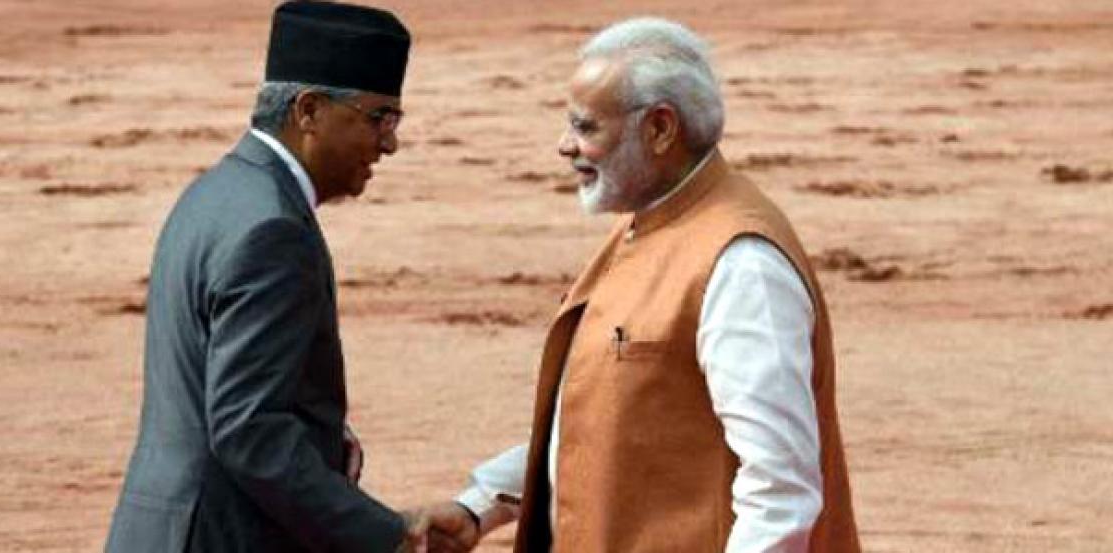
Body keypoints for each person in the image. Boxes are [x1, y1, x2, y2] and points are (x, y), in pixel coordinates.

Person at [453, 17, 862, 552]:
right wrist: (480, 506)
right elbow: (599, 424)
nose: (564, 146)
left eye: (586, 127)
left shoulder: (742, 264)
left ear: (660, 129)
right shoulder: (644, 223)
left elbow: (780, 489)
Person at [104, 2, 476, 552]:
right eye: (380, 118)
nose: (390, 143)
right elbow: (249, 429)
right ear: (309, 110)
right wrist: (386, 534)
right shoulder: (273, 230)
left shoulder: (216, 193)